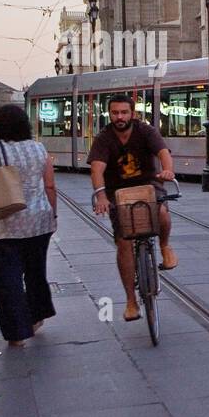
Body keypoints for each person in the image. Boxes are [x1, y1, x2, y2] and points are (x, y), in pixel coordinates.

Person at [0, 105, 58, 347]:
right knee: (35, 271)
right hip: (38, 222)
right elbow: (49, 185)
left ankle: (17, 333)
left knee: (6, 278)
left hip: (1, 223)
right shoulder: (39, 148)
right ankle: (37, 316)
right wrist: (54, 214)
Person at [87, 94, 177, 322]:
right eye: (115, 113)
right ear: (109, 114)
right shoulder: (104, 138)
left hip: (149, 186)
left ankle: (165, 247)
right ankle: (130, 301)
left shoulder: (145, 131)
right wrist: (100, 196)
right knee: (124, 243)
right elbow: (97, 169)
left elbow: (163, 153)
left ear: (132, 114)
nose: (119, 117)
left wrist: (167, 171)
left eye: (124, 112)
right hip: (118, 193)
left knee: (163, 212)